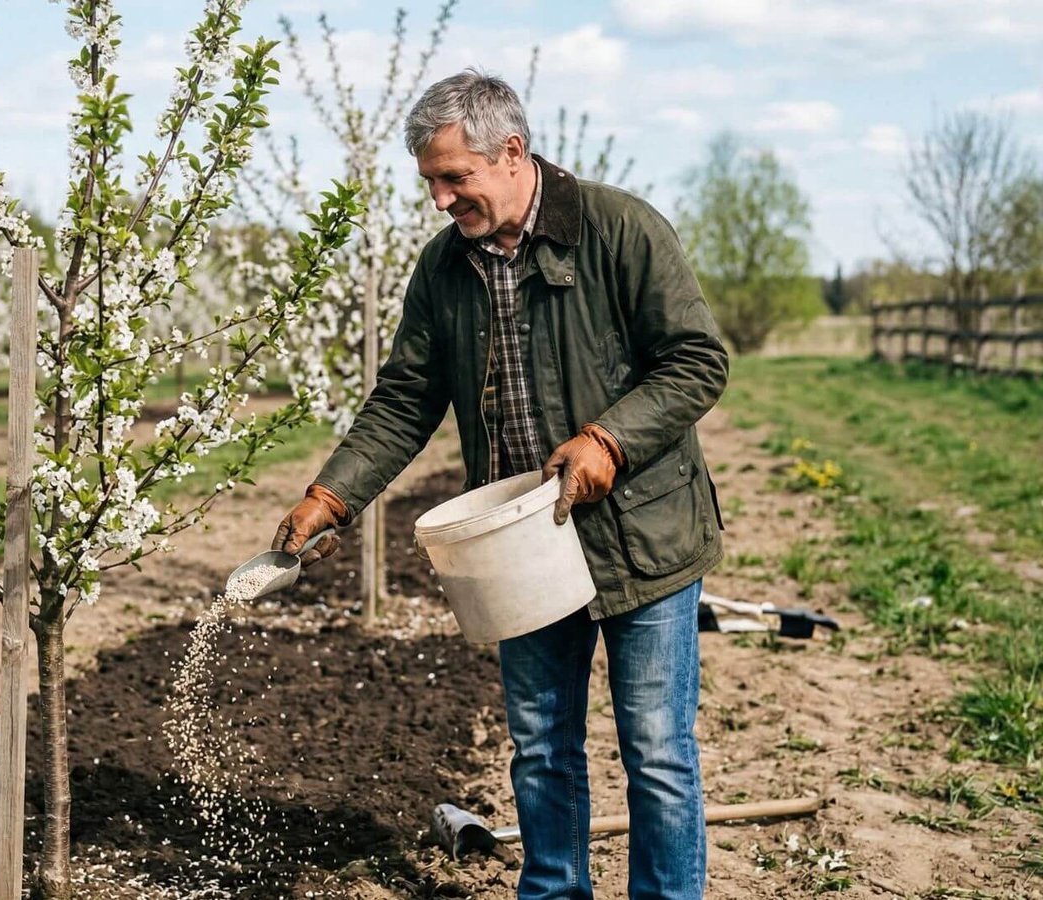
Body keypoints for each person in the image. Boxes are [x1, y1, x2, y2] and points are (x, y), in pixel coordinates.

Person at [272, 68, 729, 900]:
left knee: (658, 752)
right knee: (543, 747)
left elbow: (697, 361)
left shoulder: (619, 230)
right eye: (431, 182)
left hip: (644, 535)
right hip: (523, 545)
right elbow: (405, 400)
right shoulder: (445, 270)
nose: (441, 199)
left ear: (512, 152)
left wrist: (609, 440)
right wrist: (332, 496)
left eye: (455, 177)